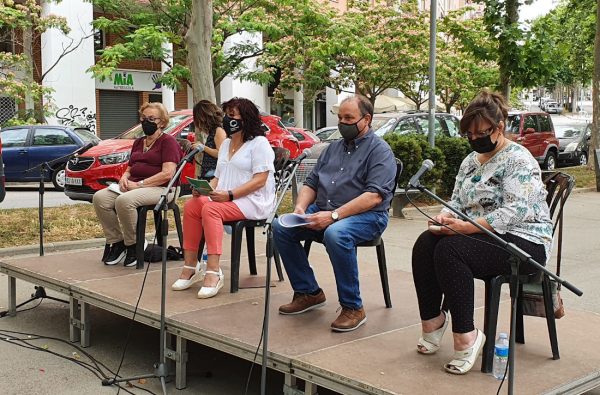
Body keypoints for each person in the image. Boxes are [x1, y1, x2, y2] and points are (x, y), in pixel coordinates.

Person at [411, 90, 553, 375]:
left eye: (481, 133)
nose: (475, 139)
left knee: (450, 251)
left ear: (499, 127)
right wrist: (446, 216)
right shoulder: (470, 162)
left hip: (525, 241)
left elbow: (516, 211)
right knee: (426, 243)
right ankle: (433, 320)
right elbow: (456, 200)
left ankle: (468, 337)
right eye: (470, 135)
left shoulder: (518, 159)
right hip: (482, 235)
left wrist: (467, 227)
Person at [272, 95, 397, 332]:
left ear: (366, 119)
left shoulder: (380, 151)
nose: (342, 123)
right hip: (324, 209)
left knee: (336, 234)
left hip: (368, 216)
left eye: (349, 118)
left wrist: (333, 216)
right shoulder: (332, 148)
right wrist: (300, 208)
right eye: (340, 118)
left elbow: (375, 196)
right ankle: (308, 292)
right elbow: (311, 183)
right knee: (281, 226)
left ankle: (353, 307)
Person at [171, 97, 276, 298]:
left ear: (246, 118)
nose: (227, 120)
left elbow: (261, 180)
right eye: (227, 115)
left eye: (232, 116)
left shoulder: (259, 143)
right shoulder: (226, 143)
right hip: (226, 198)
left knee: (210, 209)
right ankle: (191, 266)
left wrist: (230, 194)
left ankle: (214, 271)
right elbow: (217, 178)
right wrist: (204, 190)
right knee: (194, 205)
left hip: (253, 201)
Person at [94, 102, 183, 267]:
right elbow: (130, 168)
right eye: (143, 118)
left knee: (124, 201)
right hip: (136, 185)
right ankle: (117, 242)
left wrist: (140, 184)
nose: (146, 122)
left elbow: (167, 174)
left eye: (151, 118)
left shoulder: (168, 142)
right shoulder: (138, 142)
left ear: (162, 122)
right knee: (100, 198)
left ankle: (135, 245)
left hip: (163, 188)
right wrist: (124, 177)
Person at [190, 99, 227, 180]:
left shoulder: (219, 131)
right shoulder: (212, 131)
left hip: (214, 175)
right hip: (208, 173)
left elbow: (220, 153)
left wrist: (203, 147)